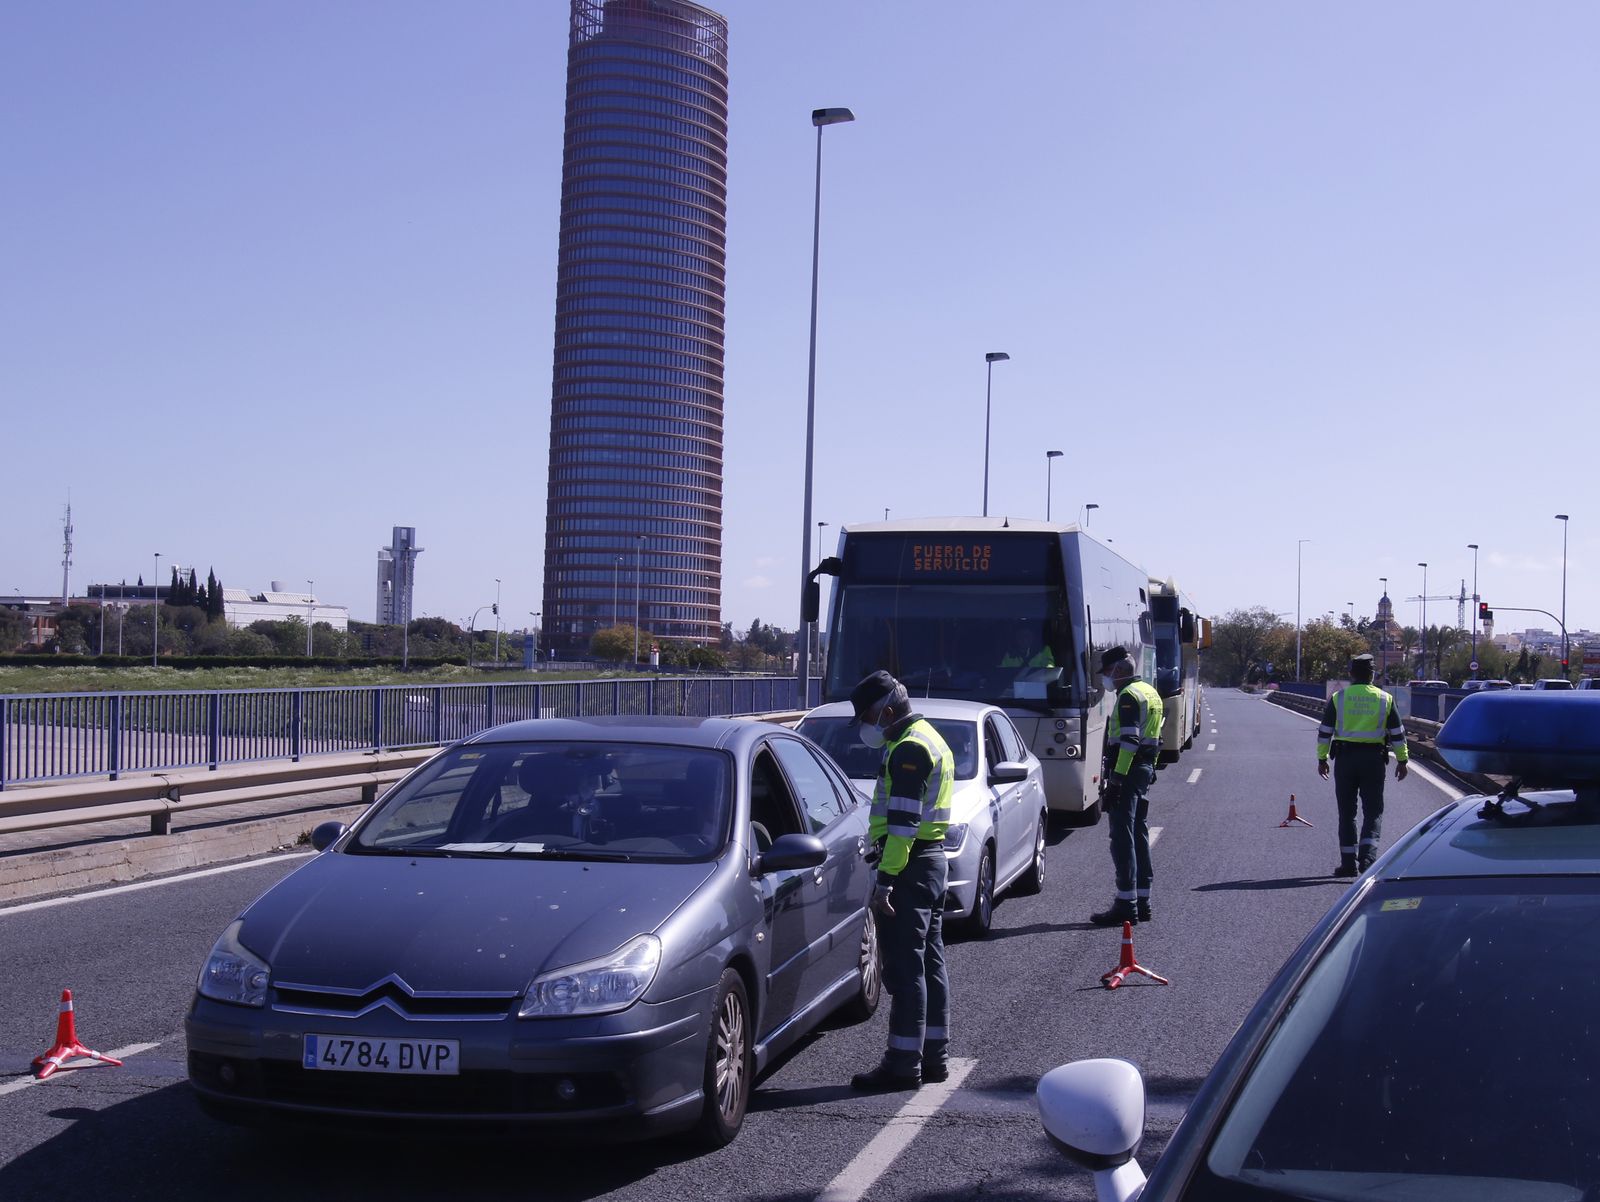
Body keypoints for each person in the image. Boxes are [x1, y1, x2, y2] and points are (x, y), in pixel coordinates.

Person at [847, 669, 955, 1093]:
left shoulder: (909, 749)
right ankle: (934, 1058)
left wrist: (886, 881)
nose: (866, 728)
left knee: (907, 966)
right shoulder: (928, 735)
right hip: (931, 863)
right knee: (930, 962)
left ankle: (902, 1063)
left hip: (909, 865)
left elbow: (904, 827)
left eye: (867, 718)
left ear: (888, 711)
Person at [1089, 647, 1164, 926]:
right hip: (1143, 769)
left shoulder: (1129, 696)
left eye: (1107, 673)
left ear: (1119, 671)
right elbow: (1155, 737)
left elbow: (1130, 742)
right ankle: (1142, 900)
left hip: (1129, 770)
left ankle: (1126, 903)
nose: (1106, 679)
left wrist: (1116, 781)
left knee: (1122, 837)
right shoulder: (1149, 691)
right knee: (1138, 832)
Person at [1317, 652, 1408, 876]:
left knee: (1347, 812)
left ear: (1351, 674)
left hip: (1345, 760)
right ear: (1373, 675)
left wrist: (1322, 758)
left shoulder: (1339, 698)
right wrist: (1403, 760)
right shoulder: (1385, 699)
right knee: (1373, 812)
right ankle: (1367, 861)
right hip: (1373, 760)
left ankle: (1348, 864)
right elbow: (1397, 734)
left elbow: (1325, 732)